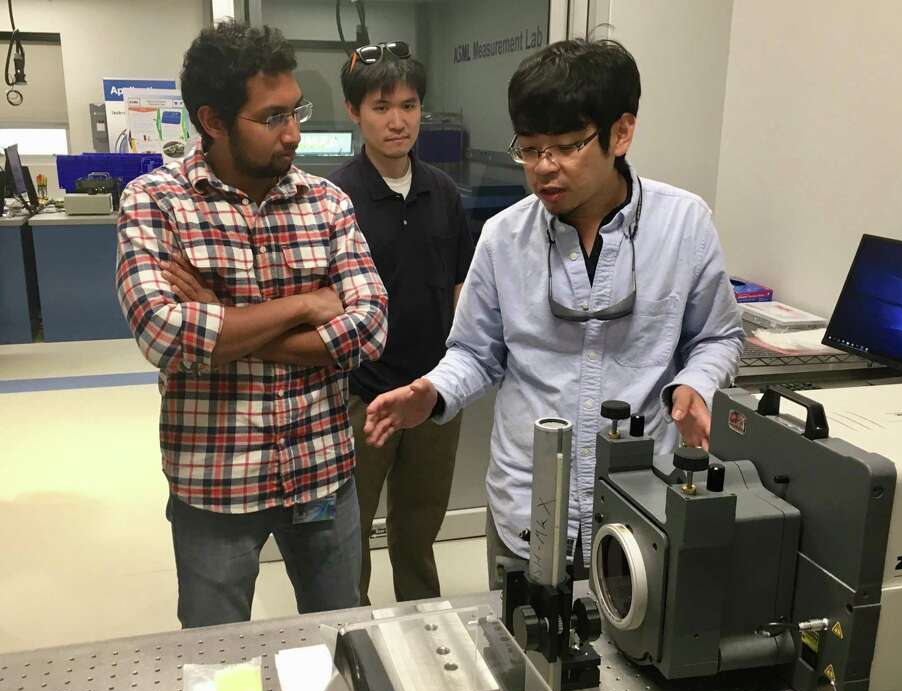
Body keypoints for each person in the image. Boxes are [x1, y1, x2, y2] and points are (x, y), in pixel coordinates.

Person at [362, 39, 744, 589]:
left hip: (642, 508)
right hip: (527, 507)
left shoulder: (683, 225)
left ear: (621, 133)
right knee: (523, 659)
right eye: (530, 149)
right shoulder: (503, 237)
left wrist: (696, 384)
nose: (543, 169)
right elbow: (475, 352)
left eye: (566, 147)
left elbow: (718, 336)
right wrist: (434, 391)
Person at [115, 22, 388, 628]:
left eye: (296, 111)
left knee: (342, 638)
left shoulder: (326, 202)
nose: (293, 133)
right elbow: (165, 336)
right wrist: (304, 305)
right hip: (216, 483)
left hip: (321, 473)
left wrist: (222, 318)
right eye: (272, 118)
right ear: (212, 121)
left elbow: (369, 328)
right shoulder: (155, 202)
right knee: (216, 666)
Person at [327, 42, 474, 604]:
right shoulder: (336, 198)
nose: (397, 121)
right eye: (381, 107)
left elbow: (462, 285)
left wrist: (453, 373)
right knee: (351, 531)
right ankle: (355, 638)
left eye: (409, 106)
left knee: (419, 529)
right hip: (361, 395)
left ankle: (424, 631)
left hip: (433, 392)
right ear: (354, 112)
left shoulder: (443, 192)